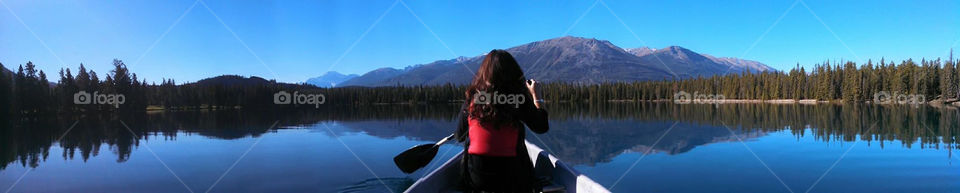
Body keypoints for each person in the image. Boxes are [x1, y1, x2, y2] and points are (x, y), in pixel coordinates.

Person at [455, 49, 549, 192]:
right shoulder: (518, 99)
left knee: (469, 140)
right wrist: (537, 96)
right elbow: (541, 127)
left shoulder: (472, 100)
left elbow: (459, 137)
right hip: (512, 181)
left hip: (476, 182)